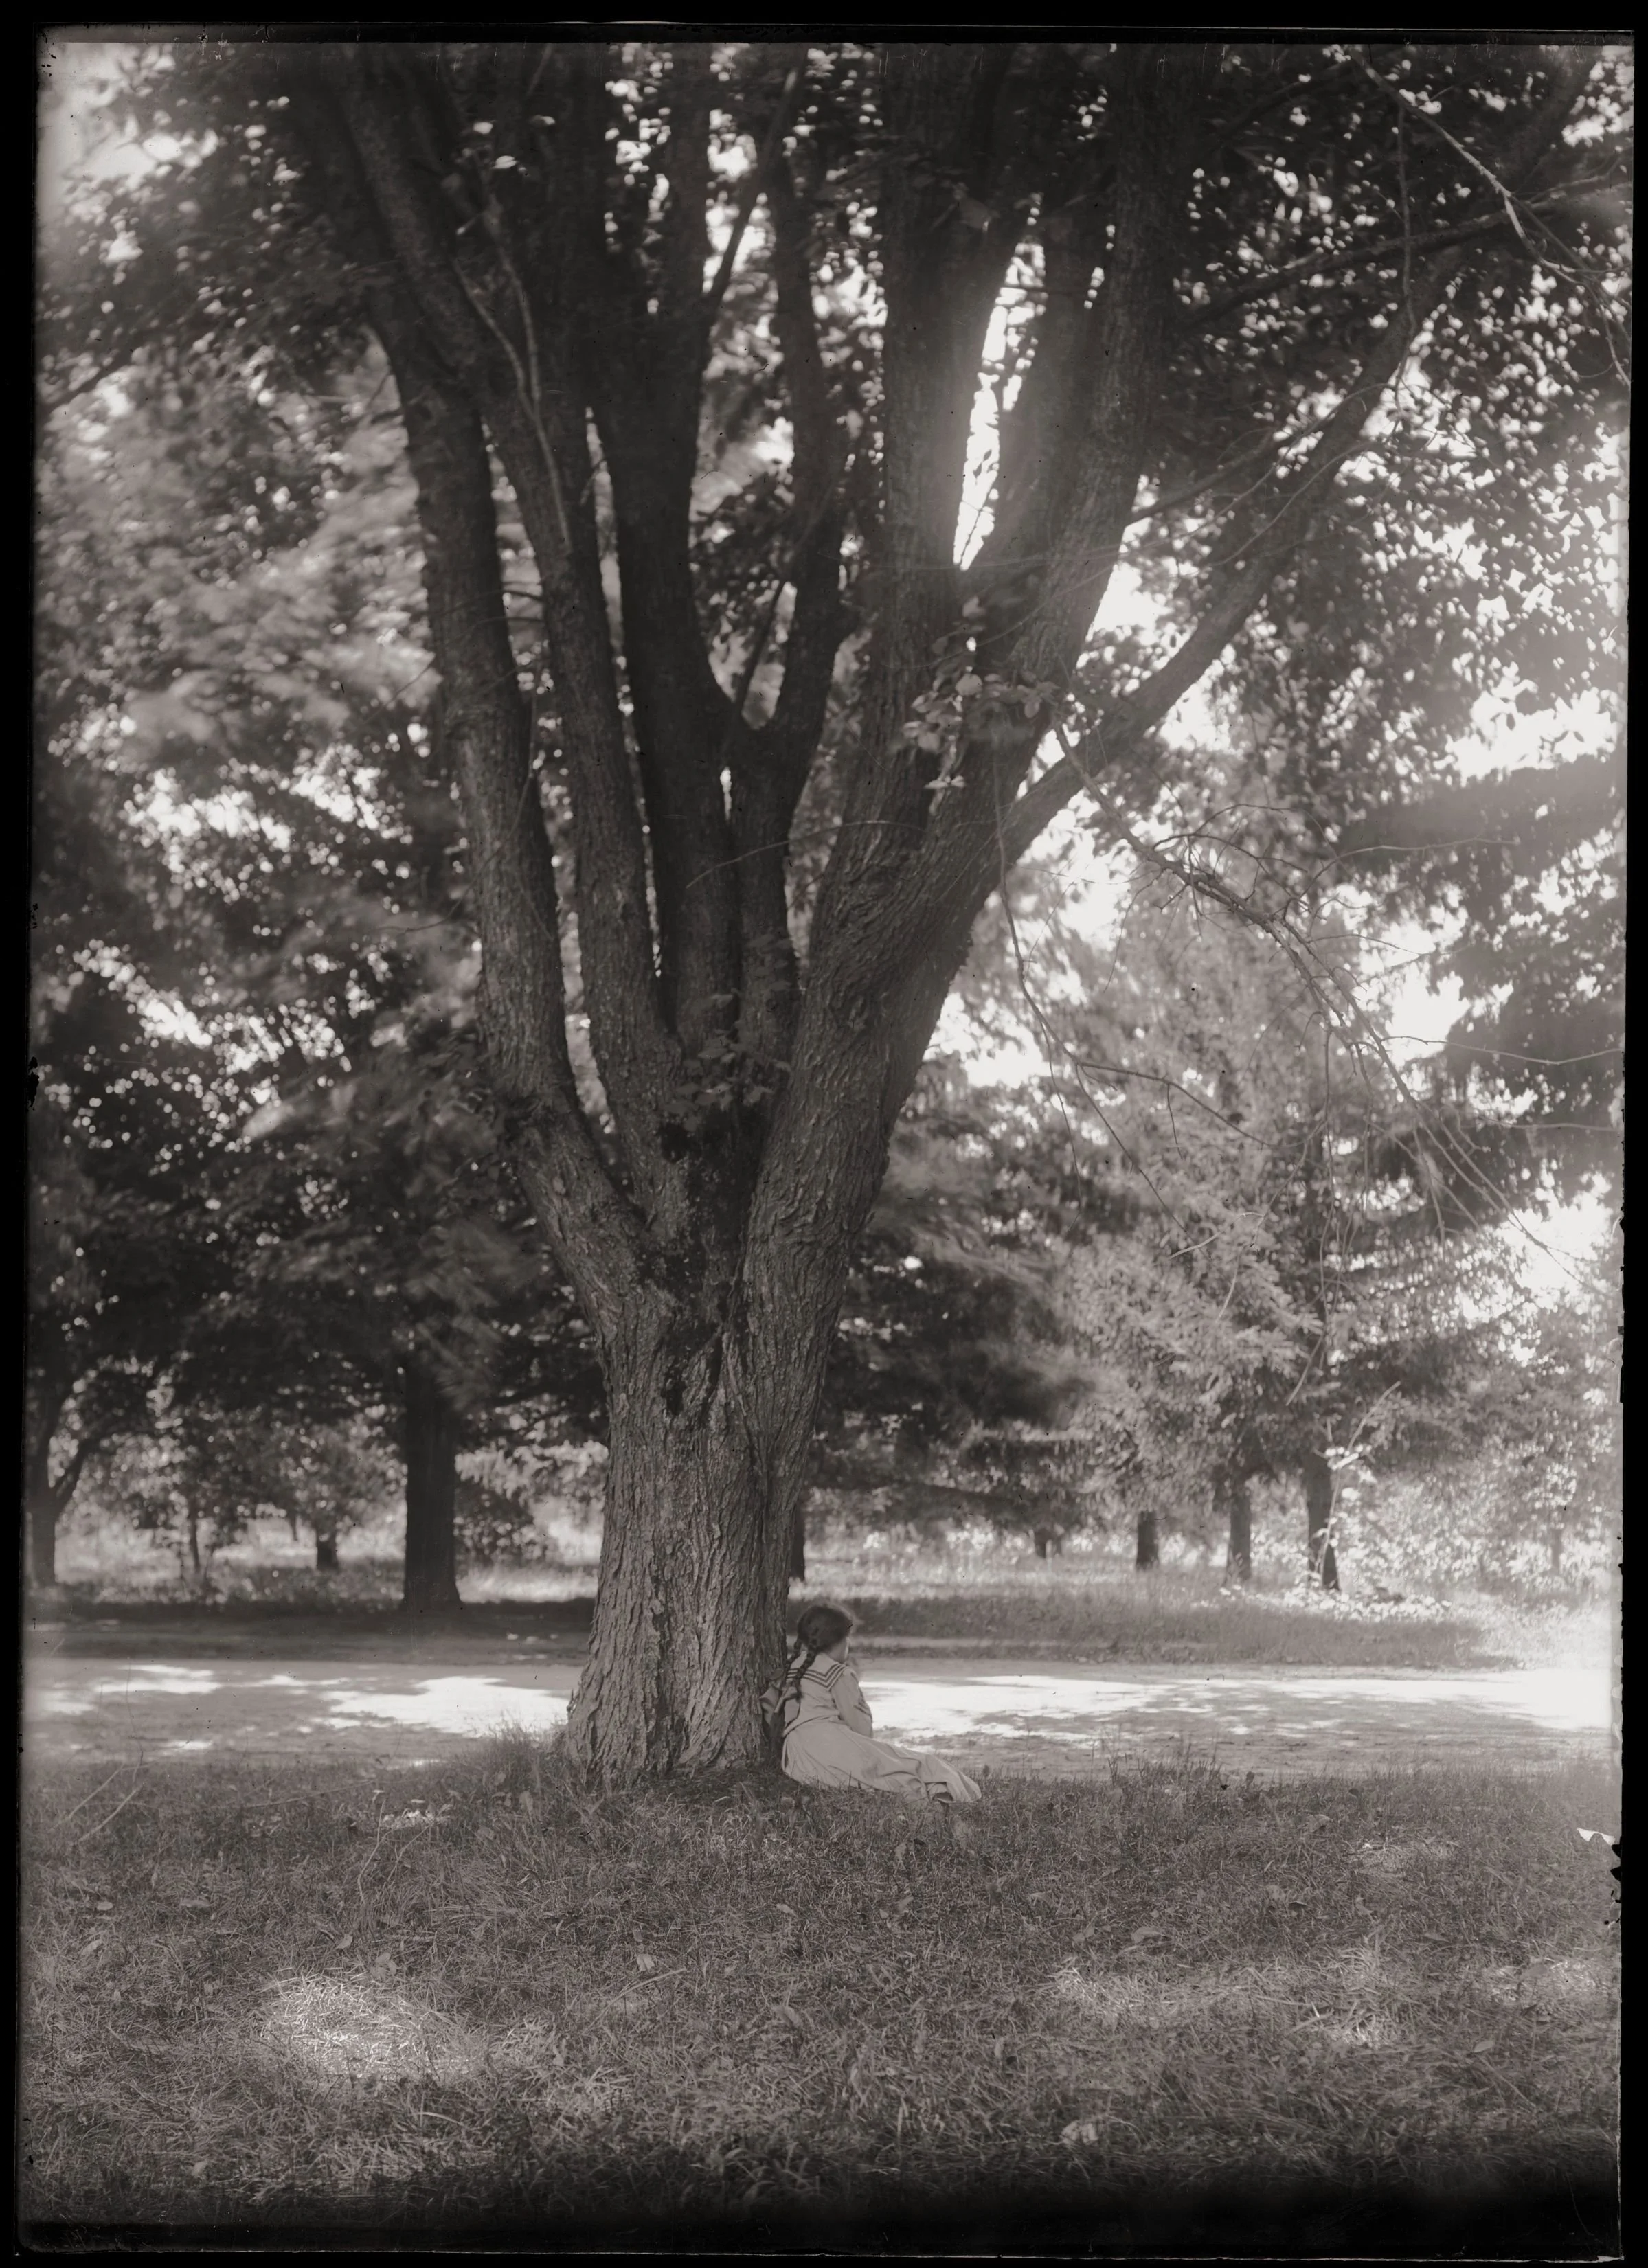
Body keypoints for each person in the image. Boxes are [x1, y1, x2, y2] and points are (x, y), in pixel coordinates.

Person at [763, 1603, 981, 1804]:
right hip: (829, 1748)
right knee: (912, 1764)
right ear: (839, 1641)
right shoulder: (838, 1673)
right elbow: (862, 1729)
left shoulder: (793, 1667)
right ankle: (955, 1792)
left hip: (797, 1758)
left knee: (892, 1766)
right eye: (848, 1639)